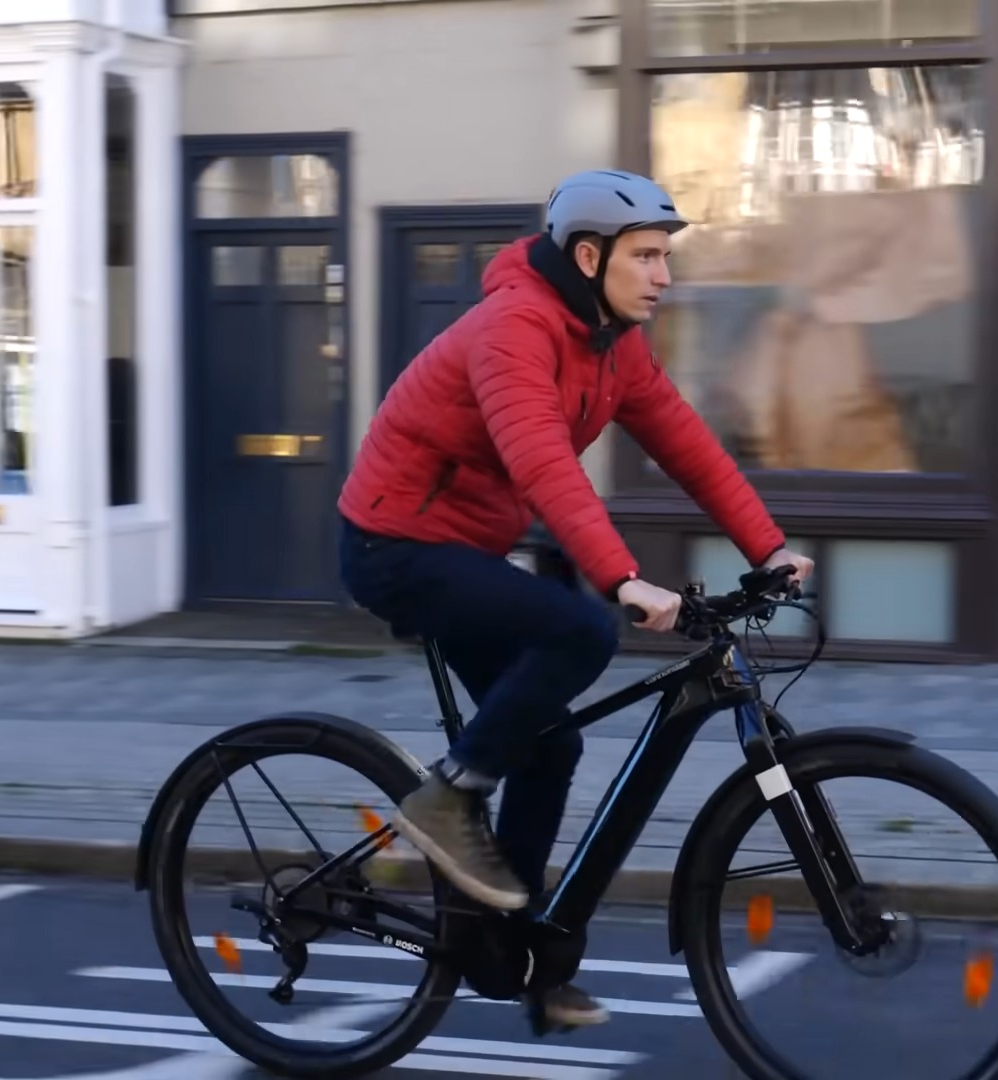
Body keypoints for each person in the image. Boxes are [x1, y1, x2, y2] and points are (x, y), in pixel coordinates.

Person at [335, 169, 814, 1027]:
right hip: (395, 544)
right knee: (580, 634)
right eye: (648, 256)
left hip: (467, 546)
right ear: (589, 257)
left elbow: (688, 445)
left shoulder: (612, 342)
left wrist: (767, 544)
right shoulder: (514, 328)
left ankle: (507, 948)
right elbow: (542, 463)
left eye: (666, 256)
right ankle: (445, 798)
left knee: (548, 743)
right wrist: (620, 576)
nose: (664, 275)